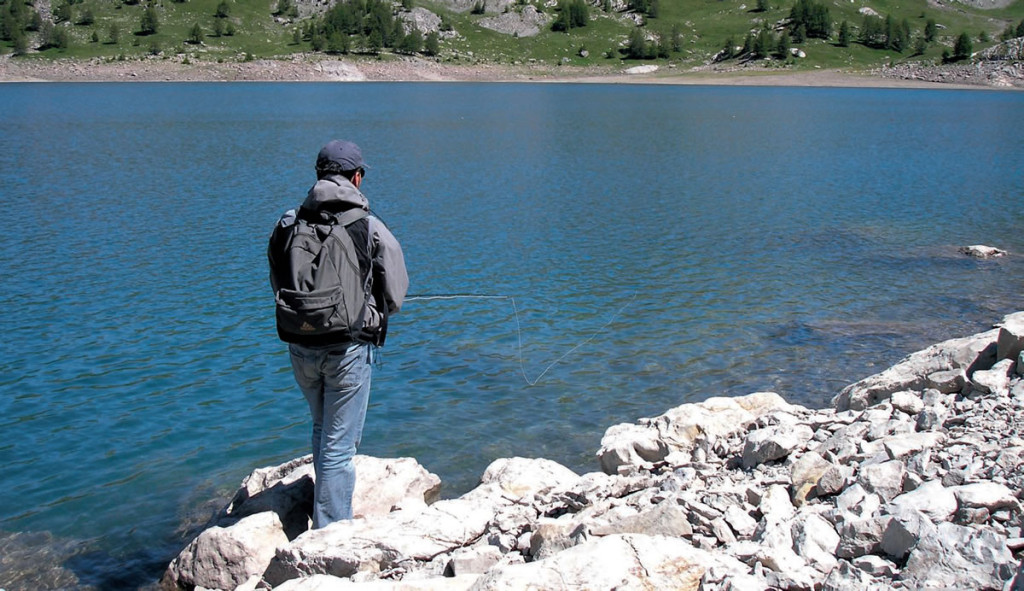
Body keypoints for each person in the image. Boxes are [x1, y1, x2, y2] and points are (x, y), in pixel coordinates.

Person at [268, 139, 408, 528]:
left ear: (318, 174)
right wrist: (375, 310)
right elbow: (396, 293)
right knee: (340, 447)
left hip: (299, 343)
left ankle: (321, 510)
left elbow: (278, 280)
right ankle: (330, 533)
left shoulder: (288, 222)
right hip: (348, 349)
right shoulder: (369, 226)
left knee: (321, 427)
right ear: (356, 178)